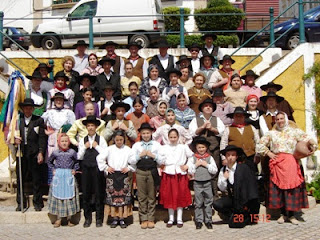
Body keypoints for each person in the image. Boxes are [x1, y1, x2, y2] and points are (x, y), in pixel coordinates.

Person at [256, 112, 316, 225]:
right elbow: (259, 145)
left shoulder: (294, 131)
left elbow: (307, 138)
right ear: (275, 121)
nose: (280, 121)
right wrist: (269, 153)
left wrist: (311, 143)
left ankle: (292, 215)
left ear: (286, 119)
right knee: (279, 190)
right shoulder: (271, 133)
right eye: (277, 119)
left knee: (291, 189)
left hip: (291, 162)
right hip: (277, 163)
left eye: (282, 118)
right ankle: (283, 215)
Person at [212, 145, 260, 228]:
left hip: (244, 199)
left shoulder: (243, 168)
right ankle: (232, 215)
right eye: (228, 155)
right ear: (226, 157)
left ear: (237, 156)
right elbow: (222, 188)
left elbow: (251, 187)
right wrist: (224, 178)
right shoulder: (223, 170)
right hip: (232, 199)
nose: (230, 157)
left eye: (233, 155)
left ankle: (243, 215)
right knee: (217, 204)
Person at [97, 130, 135, 229]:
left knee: (123, 198)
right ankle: (114, 218)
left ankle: (122, 218)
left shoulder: (128, 150)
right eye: (117, 140)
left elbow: (134, 161)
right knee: (113, 198)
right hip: (112, 175)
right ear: (114, 139)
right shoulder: (109, 149)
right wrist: (106, 167)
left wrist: (129, 168)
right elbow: (99, 158)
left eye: (121, 139)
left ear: (124, 139)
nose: (119, 141)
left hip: (123, 175)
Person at [189, 98, 225, 199]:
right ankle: (201, 196)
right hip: (200, 151)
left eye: (210, 106)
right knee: (200, 171)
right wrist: (202, 127)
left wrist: (212, 129)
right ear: (202, 108)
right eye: (206, 106)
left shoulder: (217, 119)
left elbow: (222, 132)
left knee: (214, 172)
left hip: (214, 150)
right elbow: (192, 133)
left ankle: (214, 195)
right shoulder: (196, 120)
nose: (208, 107)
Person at [14, 98, 46, 211]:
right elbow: (12, 136)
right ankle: (20, 202)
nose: (28, 110)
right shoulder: (18, 120)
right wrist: (15, 140)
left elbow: (42, 138)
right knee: (20, 178)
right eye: (26, 108)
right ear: (23, 109)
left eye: (30, 108)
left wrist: (41, 152)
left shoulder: (39, 120)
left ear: (33, 109)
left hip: (34, 152)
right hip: (21, 152)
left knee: (36, 178)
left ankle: (37, 202)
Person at [129, 123, 162, 229]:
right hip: (140, 172)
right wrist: (140, 156)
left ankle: (151, 218)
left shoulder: (156, 145)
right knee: (142, 196)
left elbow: (162, 160)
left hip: (152, 171)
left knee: (151, 196)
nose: (146, 135)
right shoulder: (136, 146)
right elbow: (131, 160)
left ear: (151, 133)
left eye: (148, 133)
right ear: (140, 134)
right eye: (144, 133)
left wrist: (154, 156)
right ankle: (143, 218)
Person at [77, 116, 108, 228]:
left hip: (97, 168)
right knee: (86, 193)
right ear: (86, 127)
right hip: (86, 168)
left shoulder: (101, 139)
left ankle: (99, 219)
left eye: (92, 126)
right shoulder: (82, 140)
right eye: (88, 126)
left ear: (96, 127)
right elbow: (79, 156)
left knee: (99, 193)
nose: (90, 128)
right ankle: (87, 218)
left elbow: (105, 154)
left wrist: (97, 147)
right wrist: (84, 148)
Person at [159, 129, 193, 228]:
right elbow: (159, 159)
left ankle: (179, 218)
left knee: (180, 195)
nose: (173, 139)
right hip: (168, 173)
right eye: (171, 137)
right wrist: (161, 164)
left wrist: (187, 166)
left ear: (178, 137)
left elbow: (192, 157)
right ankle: (170, 218)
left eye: (175, 137)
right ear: (168, 138)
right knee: (169, 195)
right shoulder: (164, 148)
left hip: (180, 174)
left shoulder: (183, 147)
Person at [47, 133, 80, 228]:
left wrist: (74, 170)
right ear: (59, 142)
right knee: (59, 198)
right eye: (62, 141)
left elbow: (77, 162)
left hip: (69, 176)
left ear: (69, 142)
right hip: (59, 176)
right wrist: (53, 170)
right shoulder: (55, 153)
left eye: (66, 141)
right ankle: (59, 219)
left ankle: (70, 219)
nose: (64, 143)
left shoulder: (72, 152)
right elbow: (49, 162)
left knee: (69, 198)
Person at [42, 93, 76, 184]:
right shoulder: (49, 112)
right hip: (53, 137)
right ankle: (52, 182)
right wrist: (46, 131)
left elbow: (73, 126)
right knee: (53, 158)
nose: (58, 101)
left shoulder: (68, 112)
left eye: (60, 100)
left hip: (64, 137)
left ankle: (65, 181)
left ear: (63, 101)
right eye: (56, 100)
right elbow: (41, 123)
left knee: (64, 158)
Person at [189, 137, 218, 230]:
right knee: (198, 203)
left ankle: (208, 220)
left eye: (203, 147)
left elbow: (214, 170)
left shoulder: (209, 158)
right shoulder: (193, 158)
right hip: (197, 183)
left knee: (208, 202)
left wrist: (207, 165)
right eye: (199, 147)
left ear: (206, 148)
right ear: (196, 148)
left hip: (207, 183)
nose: (201, 149)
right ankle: (199, 220)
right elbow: (190, 170)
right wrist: (196, 165)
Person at [221, 107, 260, 173]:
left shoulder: (251, 127)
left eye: (241, 116)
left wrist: (258, 155)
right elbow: (223, 143)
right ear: (233, 117)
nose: (238, 118)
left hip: (250, 157)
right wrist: (224, 158)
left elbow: (258, 142)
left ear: (244, 117)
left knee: (251, 177)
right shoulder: (228, 129)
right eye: (236, 116)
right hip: (234, 158)